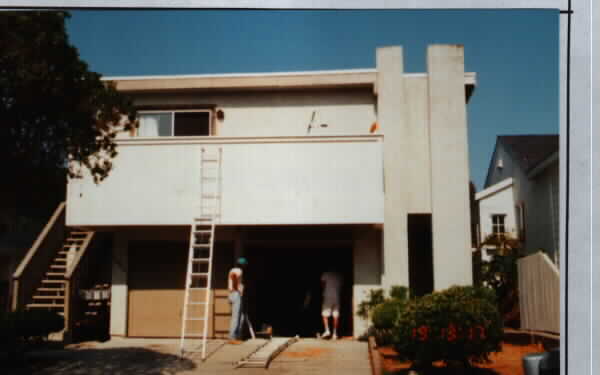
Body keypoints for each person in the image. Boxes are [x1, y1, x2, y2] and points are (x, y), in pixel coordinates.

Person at [228, 257, 247, 342]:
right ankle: (232, 337)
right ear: (242, 265)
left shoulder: (235, 270)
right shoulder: (237, 270)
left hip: (235, 294)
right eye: (244, 265)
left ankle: (237, 336)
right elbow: (233, 276)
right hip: (236, 295)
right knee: (236, 317)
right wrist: (237, 288)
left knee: (241, 316)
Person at [320, 269, 343, 340]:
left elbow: (322, 285)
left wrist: (323, 292)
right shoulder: (339, 275)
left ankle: (327, 330)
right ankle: (335, 333)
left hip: (327, 295)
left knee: (324, 314)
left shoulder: (325, 274)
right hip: (337, 296)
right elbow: (341, 285)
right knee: (336, 315)